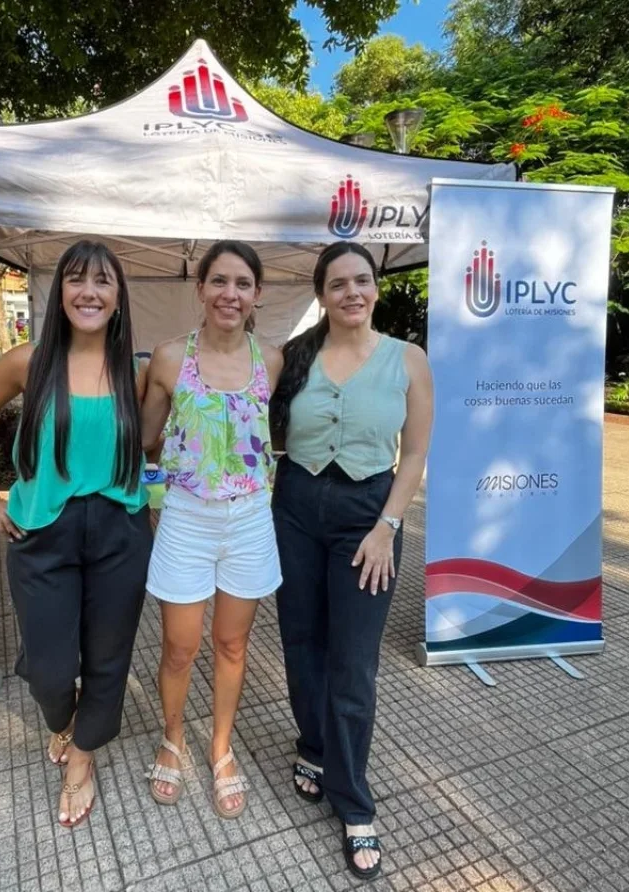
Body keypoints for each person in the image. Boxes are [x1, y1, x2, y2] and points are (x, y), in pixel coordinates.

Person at [0, 240, 152, 829]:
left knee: (109, 657)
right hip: (42, 532)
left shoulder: (136, 374)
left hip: (120, 531)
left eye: (103, 282)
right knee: (49, 668)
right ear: (59, 291)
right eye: (77, 279)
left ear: (119, 297)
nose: (90, 292)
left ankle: (83, 756)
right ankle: (63, 720)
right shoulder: (27, 362)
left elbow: (156, 441)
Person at [269, 241, 433, 879]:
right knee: (301, 640)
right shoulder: (294, 356)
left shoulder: (407, 359)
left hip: (369, 515)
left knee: (354, 661)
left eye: (361, 280)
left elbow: (413, 453)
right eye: (337, 284)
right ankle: (312, 744)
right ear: (321, 294)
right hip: (295, 508)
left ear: (376, 287)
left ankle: (354, 800)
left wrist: (387, 527)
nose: (351, 293)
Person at [140, 240, 284, 819]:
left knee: (232, 644)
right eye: (219, 281)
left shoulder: (271, 359)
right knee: (180, 647)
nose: (230, 293)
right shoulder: (170, 358)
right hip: (187, 517)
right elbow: (146, 438)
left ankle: (221, 746)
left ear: (257, 294)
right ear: (200, 289)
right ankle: (172, 737)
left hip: (249, 519)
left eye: (242, 283)